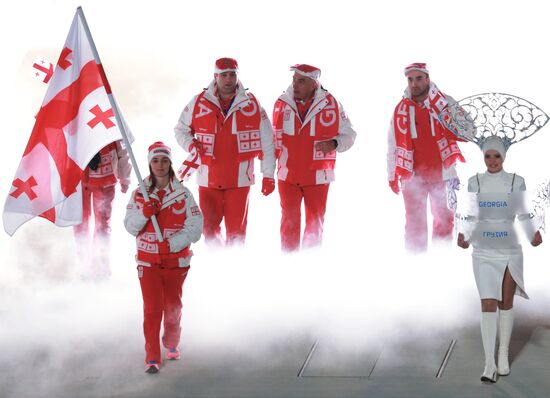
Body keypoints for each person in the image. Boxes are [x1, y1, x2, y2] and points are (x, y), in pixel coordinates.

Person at [456, 136, 543, 383]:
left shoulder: (517, 181)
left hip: (509, 248)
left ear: (504, 157)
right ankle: (489, 364)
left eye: (496, 156)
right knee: (487, 303)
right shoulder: (475, 182)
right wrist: (464, 236)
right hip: (483, 250)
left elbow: (523, 213)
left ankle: (503, 356)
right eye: (488, 156)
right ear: (483, 157)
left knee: (505, 303)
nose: (492, 161)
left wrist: (533, 233)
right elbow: (471, 215)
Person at [174, 57, 275, 246]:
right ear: (215, 76)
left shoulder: (251, 103)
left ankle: (233, 269)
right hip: (208, 178)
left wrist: (268, 174)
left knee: (237, 233)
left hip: (239, 180)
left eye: (232, 75)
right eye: (224, 75)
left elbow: (268, 141)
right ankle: (217, 266)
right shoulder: (199, 102)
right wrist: (190, 145)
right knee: (208, 230)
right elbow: (180, 130)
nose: (228, 80)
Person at [124, 142, 203, 374]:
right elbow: (130, 227)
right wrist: (144, 213)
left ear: (170, 164)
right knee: (152, 309)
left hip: (176, 262)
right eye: (156, 160)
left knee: (172, 306)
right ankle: (152, 356)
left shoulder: (183, 194)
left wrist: (171, 244)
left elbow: (195, 228)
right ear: (149, 163)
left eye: (165, 160)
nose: (160, 165)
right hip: (147, 262)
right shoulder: (139, 194)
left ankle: (171, 342)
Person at [272, 64, 356, 252]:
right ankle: (289, 264)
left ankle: (310, 266)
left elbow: (349, 135)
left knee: (315, 225)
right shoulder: (282, 102)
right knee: (289, 222)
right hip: (288, 175)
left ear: (314, 83)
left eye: (301, 81)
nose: (295, 85)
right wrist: (268, 172)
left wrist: (334, 144)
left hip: (318, 176)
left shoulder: (332, 104)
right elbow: (272, 139)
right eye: (294, 80)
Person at [387, 63, 465, 252]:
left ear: (428, 78)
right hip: (413, 177)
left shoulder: (445, 102)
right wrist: (391, 175)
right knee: (414, 227)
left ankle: (441, 265)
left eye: (419, 78)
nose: (414, 84)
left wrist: (454, 128)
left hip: (443, 175)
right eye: (410, 79)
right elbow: (392, 144)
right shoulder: (400, 109)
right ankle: (416, 270)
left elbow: (468, 129)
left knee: (445, 222)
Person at [74, 141, 132, 279]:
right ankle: (84, 265)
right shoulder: (74, 119)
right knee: (80, 223)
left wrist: (125, 178)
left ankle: (101, 266)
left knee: (102, 226)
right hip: (79, 179)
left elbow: (123, 151)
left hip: (105, 179)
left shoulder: (113, 120)